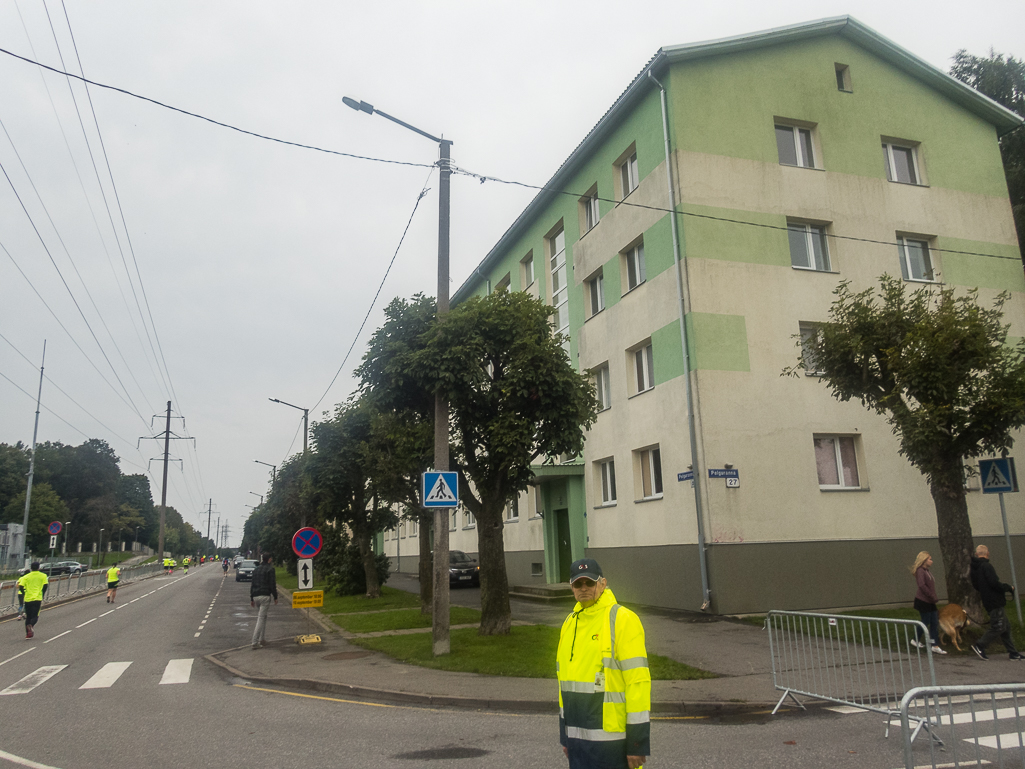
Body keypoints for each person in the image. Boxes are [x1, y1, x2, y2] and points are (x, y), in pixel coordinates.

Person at [557, 558, 650, 769]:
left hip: (613, 744)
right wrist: (565, 736)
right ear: (571, 587)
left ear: (603, 583)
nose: (584, 589)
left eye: (589, 583)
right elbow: (564, 684)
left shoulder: (623, 619)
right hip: (577, 742)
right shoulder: (569, 623)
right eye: (577, 584)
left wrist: (637, 743)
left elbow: (638, 683)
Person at [970, 545, 1024, 660]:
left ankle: (1013, 653)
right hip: (995, 601)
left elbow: (976, 585)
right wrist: (1008, 587)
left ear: (976, 554)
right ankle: (980, 645)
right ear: (987, 553)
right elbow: (994, 583)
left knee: (1006, 627)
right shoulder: (986, 566)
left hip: (987, 600)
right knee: (998, 627)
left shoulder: (975, 568)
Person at [909, 551, 946, 654]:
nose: (932, 561)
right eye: (930, 559)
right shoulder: (920, 571)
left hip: (930, 601)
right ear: (924, 560)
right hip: (923, 601)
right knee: (925, 621)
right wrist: (932, 595)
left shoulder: (927, 571)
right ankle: (915, 640)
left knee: (934, 622)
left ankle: (934, 644)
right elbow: (922, 585)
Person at [250, 554, 278, 650]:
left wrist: (251, 598)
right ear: (269, 559)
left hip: (256, 595)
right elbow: (272, 584)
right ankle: (255, 641)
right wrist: (275, 596)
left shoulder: (256, 570)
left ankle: (262, 639)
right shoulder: (270, 570)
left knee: (263, 617)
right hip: (265, 595)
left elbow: (252, 584)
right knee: (261, 618)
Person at [17, 562, 49, 639]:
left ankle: (28, 634)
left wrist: (24, 593)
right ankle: (31, 625)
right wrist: (42, 594)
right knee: (35, 616)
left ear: (31, 568)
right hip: (37, 598)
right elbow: (45, 586)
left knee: (28, 616)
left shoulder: (26, 576)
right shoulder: (43, 576)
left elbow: (20, 586)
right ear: (39, 568)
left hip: (28, 598)